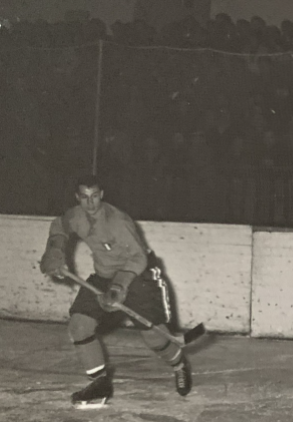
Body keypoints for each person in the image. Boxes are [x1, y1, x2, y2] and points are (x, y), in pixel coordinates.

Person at [39, 174, 192, 409]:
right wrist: (55, 250)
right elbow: (59, 226)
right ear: (77, 197)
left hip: (138, 275)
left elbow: (138, 258)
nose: (90, 203)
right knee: (79, 325)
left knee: (154, 337)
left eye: (95, 196)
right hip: (103, 276)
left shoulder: (117, 221)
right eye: (84, 197)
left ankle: (179, 365)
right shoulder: (76, 216)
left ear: (102, 194)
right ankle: (99, 384)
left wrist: (119, 286)